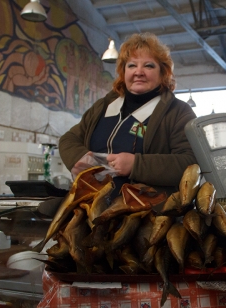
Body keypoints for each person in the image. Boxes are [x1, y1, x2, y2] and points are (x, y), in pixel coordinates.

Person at [59, 32, 198, 197]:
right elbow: (68, 139)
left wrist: (136, 165)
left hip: (146, 214)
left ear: (163, 73)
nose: (139, 72)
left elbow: (190, 163)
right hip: (91, 205)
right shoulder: (103, 106)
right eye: (132, 65)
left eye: (148, 66)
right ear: (123, 72)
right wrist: (79, 157)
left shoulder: (178, 112)